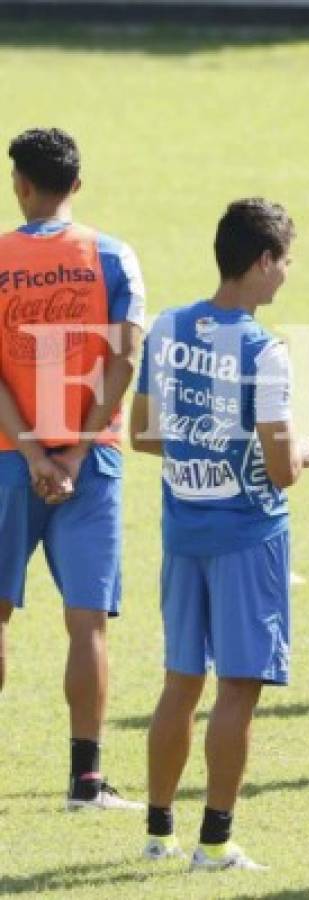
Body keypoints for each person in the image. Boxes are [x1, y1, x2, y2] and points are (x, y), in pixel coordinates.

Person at [130, 198, 309, 870]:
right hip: (248, 537)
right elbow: (280, 470)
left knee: (180, 680)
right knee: (238, 686)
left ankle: (159, 834)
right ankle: (214, 841)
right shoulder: (263, 354)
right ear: (262, 261)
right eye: (284, 261)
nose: (287, 275)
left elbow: (142, 435)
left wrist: (203, 446)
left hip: (183, 531)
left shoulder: (169, 327)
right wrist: (303, 450)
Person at [0, 127, 146, 810]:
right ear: (76, 186)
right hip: (91, 461)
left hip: (6, 459)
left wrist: (30, 449)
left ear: (19, 184)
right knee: (87, 621)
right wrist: (78, 448)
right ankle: (86, 781)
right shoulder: (114, 257)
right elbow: (125, 359)